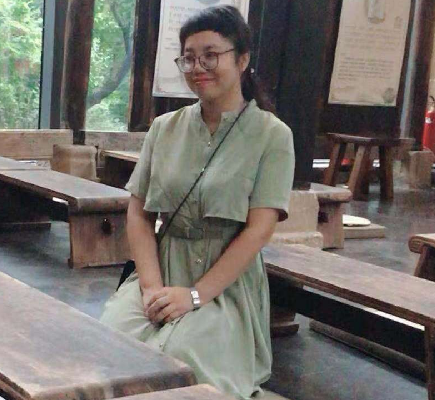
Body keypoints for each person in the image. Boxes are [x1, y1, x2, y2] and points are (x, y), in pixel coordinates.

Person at [99, 5, 295, 399]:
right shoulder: (164, 128)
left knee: (183, 357)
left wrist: (194, 295)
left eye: (210, 55)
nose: (197, 67)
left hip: (225, 287)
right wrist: (152, 289)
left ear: (242, 60)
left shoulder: (272, 135)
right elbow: (139, 213)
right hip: (161, 270)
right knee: (109, 344)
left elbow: (258, 231)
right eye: (188, 58)